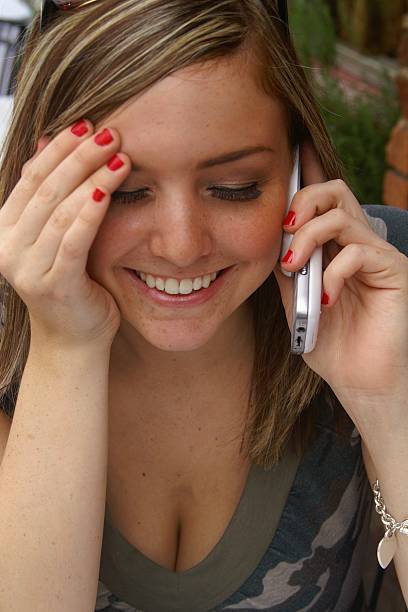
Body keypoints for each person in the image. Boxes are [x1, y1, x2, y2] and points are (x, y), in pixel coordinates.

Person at [0, 1, 406, 611]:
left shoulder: (378, 282)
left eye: (234, 188)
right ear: (46, 179)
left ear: (301, 169)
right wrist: (65, 348)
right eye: (127, 192)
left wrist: (386, 404)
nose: (182, 245)